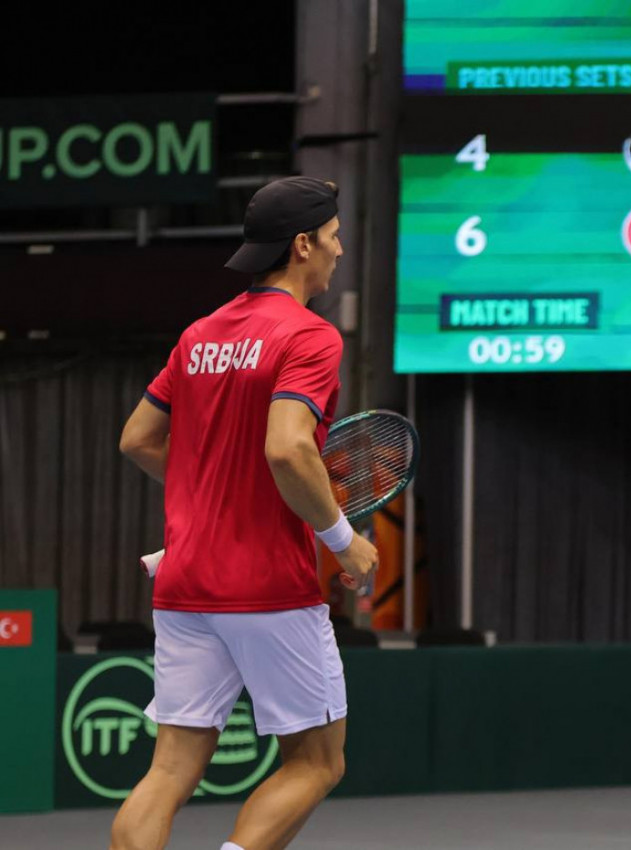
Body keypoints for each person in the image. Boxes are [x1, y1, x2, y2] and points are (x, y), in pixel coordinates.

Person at [112, 176, 379, 850]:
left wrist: (213, 492)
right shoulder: (310, 337)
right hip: (267, 587)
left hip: (185, 585)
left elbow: (138, 439)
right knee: (317, 762)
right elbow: (288, 448)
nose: (340, 250)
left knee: (169, 770)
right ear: (302, 245)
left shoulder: (199, 334)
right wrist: (343, 540)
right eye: (334, 236)